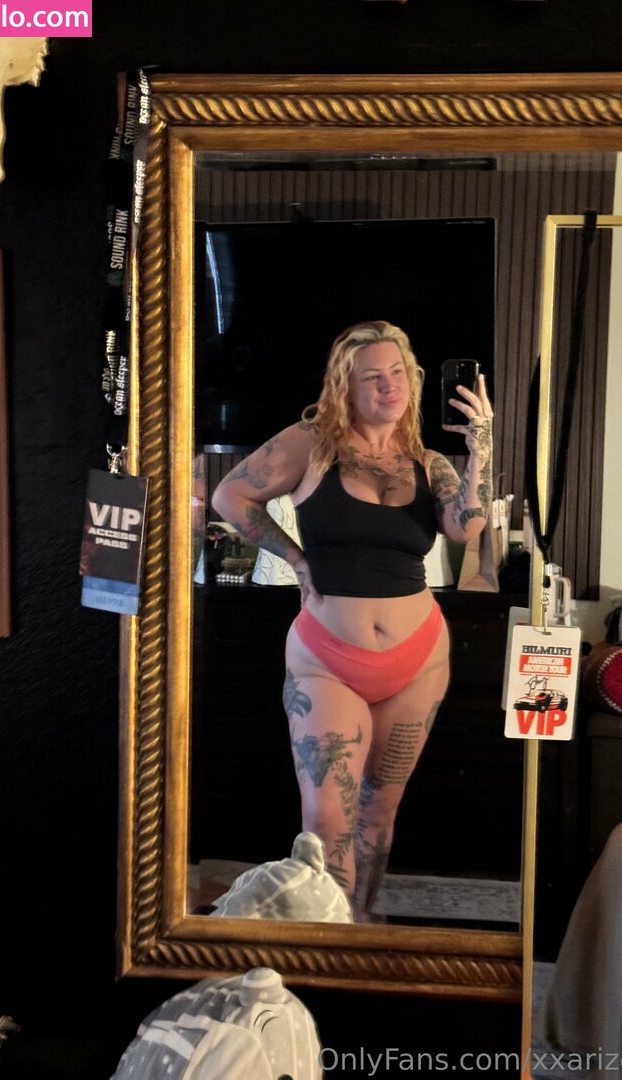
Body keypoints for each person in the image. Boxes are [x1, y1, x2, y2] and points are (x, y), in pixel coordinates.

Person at [211, 321, 493, 920]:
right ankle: (328, 941)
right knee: (325, 821)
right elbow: (230, 497)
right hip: (326, 661)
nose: (390, 386)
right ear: (345, 385)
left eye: (399, 373)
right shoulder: (312, 444)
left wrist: (480, 452)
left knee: (379, 812)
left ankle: (361, 924)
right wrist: (294, 558)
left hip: (418, 660)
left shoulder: (430, 463)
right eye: (373, 376)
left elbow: (465, 526)